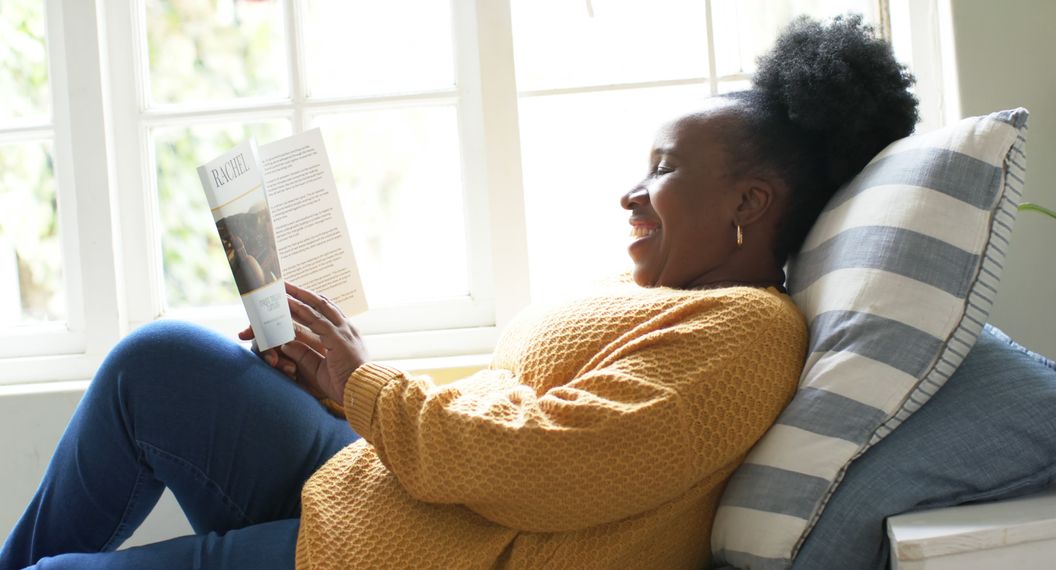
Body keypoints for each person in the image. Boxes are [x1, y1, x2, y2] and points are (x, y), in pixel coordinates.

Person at [0, 14, 917, 570]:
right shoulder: (666, 301)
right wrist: (335, 374)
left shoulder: (745, 336)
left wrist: (362, 383)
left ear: (749, 206)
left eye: (665, 171)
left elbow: (543, 469)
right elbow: (503, 413)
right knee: (156, 362)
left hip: (401, 554)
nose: (632, 194)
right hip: (378, 493)